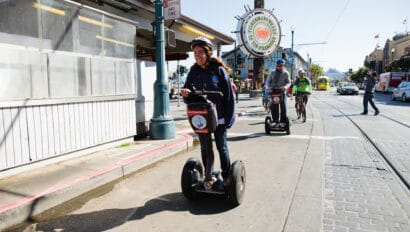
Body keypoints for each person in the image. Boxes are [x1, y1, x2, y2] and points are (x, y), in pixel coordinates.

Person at [180, 37, 236, 189]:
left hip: (220, 117)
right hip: (202, 117)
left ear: (207, 53)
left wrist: (230, 118)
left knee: (221, 146)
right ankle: (208, 175)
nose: (197, 55)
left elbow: (230, 97)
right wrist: (186, 93)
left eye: (200, 52)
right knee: (205, 147)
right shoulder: (193, 72)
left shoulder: (218, 70)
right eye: (195, 53)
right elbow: (188, 95)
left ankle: (226, 176)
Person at [265, 59, 291, 126]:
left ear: (283, 66)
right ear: (276, 65)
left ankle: (283, 121)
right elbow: (268, 81)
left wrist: (285, 87)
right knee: (274, 106)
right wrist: (267, 86)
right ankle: (275, 121)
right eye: (278, 65)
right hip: (274, 91)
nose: (279, 67)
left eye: (281, 65)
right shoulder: (272, 72)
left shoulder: (286, 73)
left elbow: (288, 82)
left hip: (282, 92)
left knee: (283, 106)